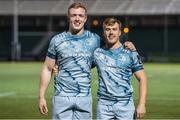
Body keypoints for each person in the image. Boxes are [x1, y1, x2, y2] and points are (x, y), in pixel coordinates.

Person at [38, 2, 136, 120]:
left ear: (85, 18)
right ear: (68, 17)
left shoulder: (95, 39)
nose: (77, 18)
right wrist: (41, 96)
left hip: (84, 98)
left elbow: (112, 48)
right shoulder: (57, 40)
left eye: (80, 15)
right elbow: (47, 69)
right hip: (62, 97)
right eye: (74, 15)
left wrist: (127, 46)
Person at [93, 17, 148, 120]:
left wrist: (142, 104)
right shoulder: (97, 53)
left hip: (125, 105)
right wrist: (57, 67)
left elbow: (142, 78)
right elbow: (80, 65)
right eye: (108, 29)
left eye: (114, 29)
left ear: (119, 33)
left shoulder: (130, 52)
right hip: (104, 105)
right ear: (103, 32)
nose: (111, 32)